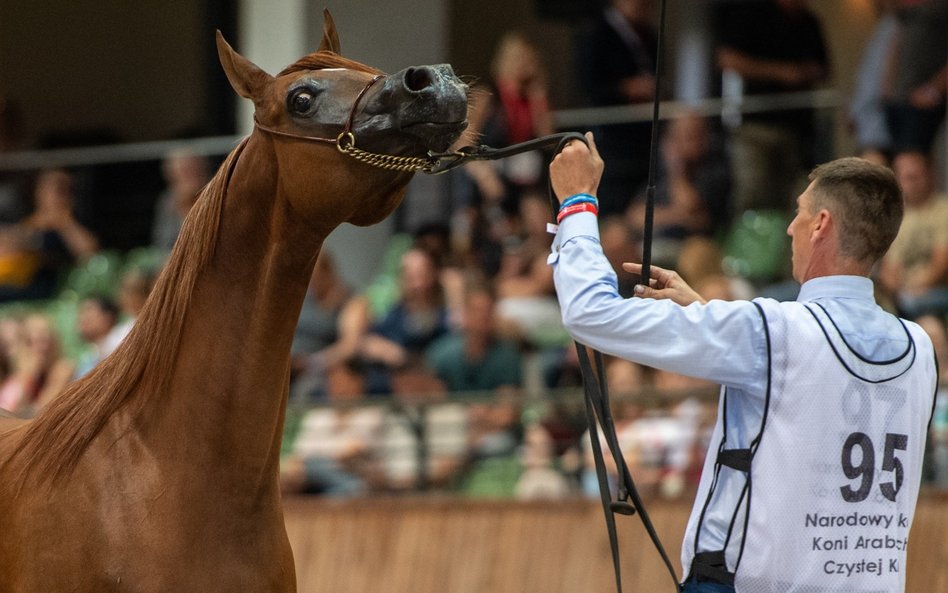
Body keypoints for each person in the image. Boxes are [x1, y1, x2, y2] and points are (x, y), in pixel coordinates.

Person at [548, 133, 937, 592]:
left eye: (799, 212)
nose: (790, 227)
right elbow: (805, 401)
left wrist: (577, 202)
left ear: (821, 225)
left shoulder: (771, 330)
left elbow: (591, 313)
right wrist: (709, 319)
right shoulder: (919, 348)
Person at [714, 0, 829, 214]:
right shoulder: (753, 13)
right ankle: (753, 246)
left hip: (797, 127)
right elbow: (728, 59)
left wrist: (805, 73)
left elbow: (823, 69)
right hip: (757, 125)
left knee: (795, 196)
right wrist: (782, 73)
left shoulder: (808, 22)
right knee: (754, 196)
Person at [575, 0, 658, 215]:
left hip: (641, 140)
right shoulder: (596, 32)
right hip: (611, 140)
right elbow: (589, 84)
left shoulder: (649, 35)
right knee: (612, 207)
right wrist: (626, 88)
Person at [878, 151, 948, 319]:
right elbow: (888, 268)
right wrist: (896, 288)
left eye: (916, 176)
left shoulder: (943, 209)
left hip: (935, 290)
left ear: (930, 175)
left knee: (911, 304)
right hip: (900, 294)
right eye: (907, 177)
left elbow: (941, 264)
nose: (912, 183)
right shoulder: (896, 215)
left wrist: (911, 288)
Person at [0, 314, 75, 417]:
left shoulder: (63, 368)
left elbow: (42, 411)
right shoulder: (20, 375)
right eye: (30, 342)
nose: (39, 348)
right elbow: (11, 410)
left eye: (43, 341)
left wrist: (30, 376)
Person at [152, 149, 211, 253]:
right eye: (184, 171)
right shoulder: (168, 202)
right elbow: (163, 245)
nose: (190, 175)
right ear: (172, 176)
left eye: (193, 169)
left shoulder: (214, 196)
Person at [73, 295, 120, 378]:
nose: (81, 317)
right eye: (80, 312)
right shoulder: (89, 355)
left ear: (108, 317)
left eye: (88, 310)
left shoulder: (119, 348)